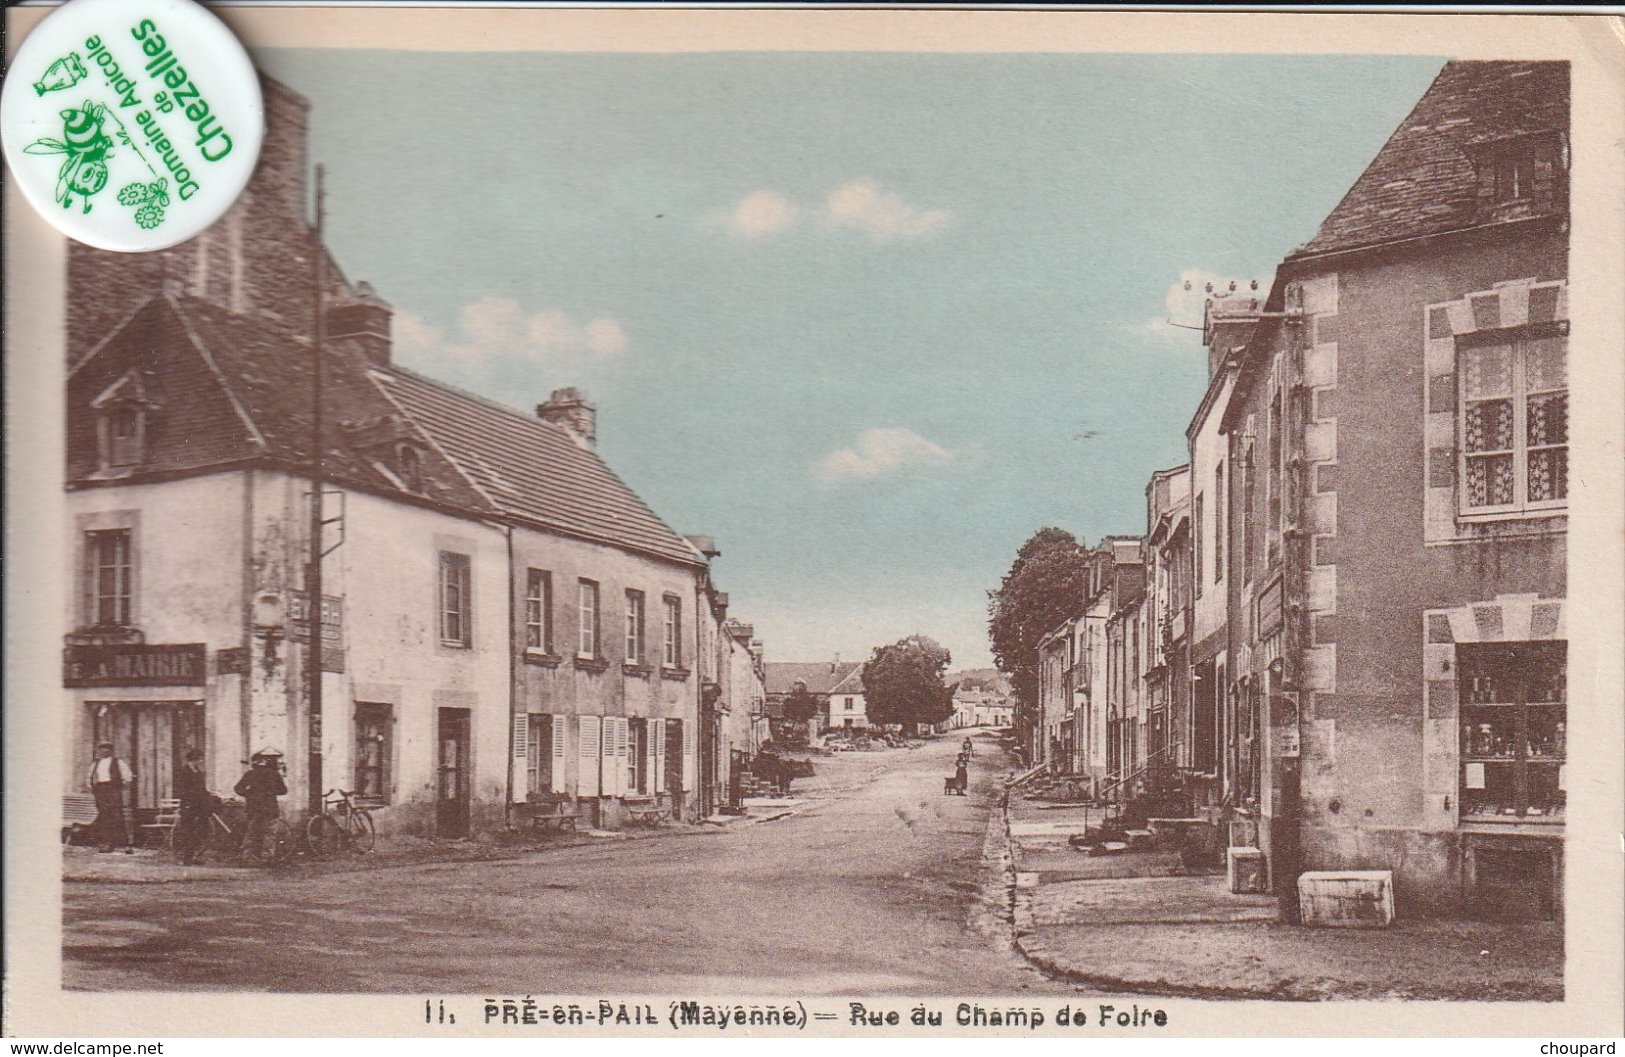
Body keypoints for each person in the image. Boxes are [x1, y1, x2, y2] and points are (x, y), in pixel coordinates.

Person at [234, 749, 287, 863]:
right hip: (270, 808)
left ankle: (246, 858)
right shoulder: (274, 774)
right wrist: (271, 791)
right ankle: (267, 858)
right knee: (269, 834)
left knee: (251, 833)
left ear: (254, 763)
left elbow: (238, 789)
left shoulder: (250, 774)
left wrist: (248, 794)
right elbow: (283, 790)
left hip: (254, 808)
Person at [86, 741, 135, 853]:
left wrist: (120, 786)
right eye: (102, 748)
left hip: (113, 789)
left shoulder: (118, 762)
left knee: (117, 815)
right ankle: (107, 844)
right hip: (100, 790)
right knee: (104, 816)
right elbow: (89, 777)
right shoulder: (96, 763)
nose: (105, 750)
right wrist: (93, 788)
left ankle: (126, 845)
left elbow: (127, 776)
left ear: (111, 750)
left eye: (108, 748)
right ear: (99, 750)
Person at [173, 748, 216, 864]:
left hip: (199, 806)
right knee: (188, 832)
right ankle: (187, 858)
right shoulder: (182, 772)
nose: (201, 762)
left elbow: (202, 789)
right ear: (193, 760)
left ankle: (195, 856)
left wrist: (208, 794)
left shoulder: (199, 773)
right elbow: (181, 790)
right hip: (188, 805)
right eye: (199, 759)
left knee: (200, 831)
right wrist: (188, 801)